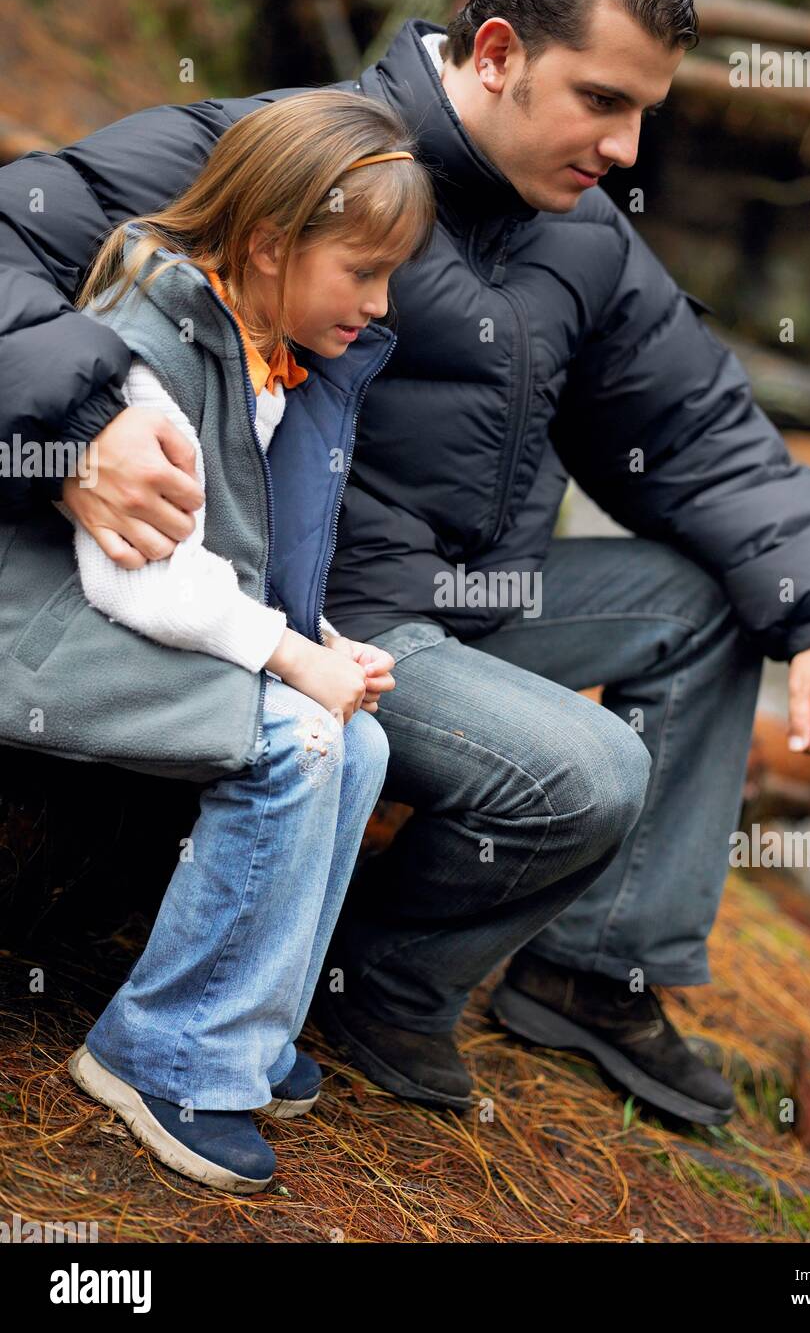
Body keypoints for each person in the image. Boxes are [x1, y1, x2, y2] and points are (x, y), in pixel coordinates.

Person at [0, 0, 810, 1127]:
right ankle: (369, 978)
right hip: (323, 612)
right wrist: (81, 426)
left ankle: (592, 963)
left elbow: (695, 429)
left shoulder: (586, 237)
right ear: (496, 53)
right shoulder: (296, 153)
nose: (628, 148)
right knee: (588, 770)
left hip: (474, 601)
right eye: (603, 101)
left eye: (645, 112)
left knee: (707, 599)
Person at [1, 90, 436, 1191]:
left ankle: (252, 1014)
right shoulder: (156, 341)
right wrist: (293, 662)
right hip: (54, 638)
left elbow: (230, 548)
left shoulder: (258, 343)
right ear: (269, 244)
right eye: (363, 272)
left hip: (130, 616)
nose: (381, 305)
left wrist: (318, 635)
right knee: (296, 741)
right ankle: (167, 1056)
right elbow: (141, 575)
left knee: (361, 742)